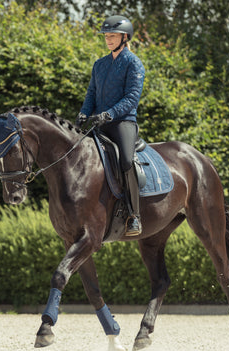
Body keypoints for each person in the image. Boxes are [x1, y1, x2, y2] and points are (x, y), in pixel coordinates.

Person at [76, 15, 145, 236]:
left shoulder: (134, 63)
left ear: (125, 37)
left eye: (112, 36)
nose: (108, 39)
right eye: (106, 36)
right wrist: (84, 113)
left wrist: (109, 113)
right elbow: (91, 94)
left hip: (123, 122)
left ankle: (134, 215)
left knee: (126, 159)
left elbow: (132, 97)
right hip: (100, 122)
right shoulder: (100, 64)